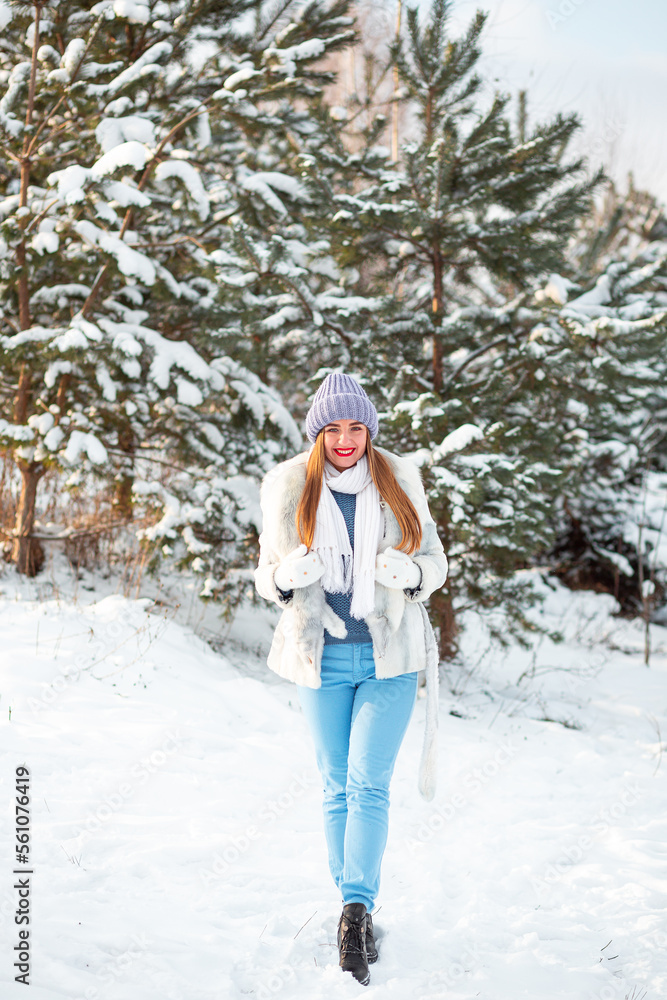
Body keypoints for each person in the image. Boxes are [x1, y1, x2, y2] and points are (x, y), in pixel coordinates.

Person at [254, 372, 448, 986]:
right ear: (319, 432)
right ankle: (351, 905)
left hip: (389, 659)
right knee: (336, 785)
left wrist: (411, 575)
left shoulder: (399, 481)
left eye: (356, 427)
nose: (345, 439)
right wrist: (285, 577)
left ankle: (356, 911)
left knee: (368, 783)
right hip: (323, 661)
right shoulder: (290, 487)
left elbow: (435, 562)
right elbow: (265, 574)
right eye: (334, 428)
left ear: (369, 430)